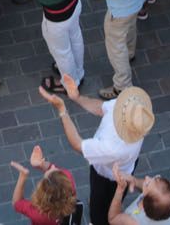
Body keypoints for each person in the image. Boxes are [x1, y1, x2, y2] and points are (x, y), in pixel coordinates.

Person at [38, 75, 155, 219]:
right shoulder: (132, 107)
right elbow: (102, 107)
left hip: (108, 178)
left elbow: (78, 145)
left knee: (99, 212)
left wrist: (62, 110)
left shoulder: (113, 148)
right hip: (124, 165)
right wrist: (77, 97)